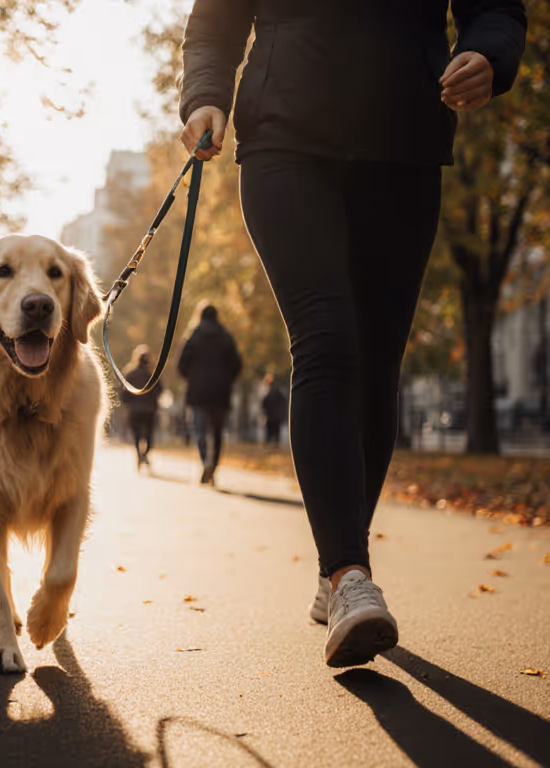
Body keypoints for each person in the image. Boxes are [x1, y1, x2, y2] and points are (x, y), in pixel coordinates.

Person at [178, 1, 526, 667]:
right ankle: (348, 577)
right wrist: (205, 95)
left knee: (376, 361)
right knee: (327, 342)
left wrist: (490, 54)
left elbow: (497, 8)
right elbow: (215, 23)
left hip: (405, 141)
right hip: (285, 137)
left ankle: (339, 562)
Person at [177, 302, 243, 486]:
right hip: (221, 392)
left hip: (198, 392)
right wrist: (227, 379)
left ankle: (205, 459)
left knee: (200, 430)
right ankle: (212, 466)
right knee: (217, 432)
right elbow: (237, 364)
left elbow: (181, 366)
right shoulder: (226, 337)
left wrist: (192, 377)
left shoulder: (193, 336)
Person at [119, 345, 162, 471]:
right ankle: (145, 454)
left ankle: (140, 455)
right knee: (149, 435)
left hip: (134, 410)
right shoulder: (152, 374)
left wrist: (128, 406)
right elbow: (160, 390)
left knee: (137, 436)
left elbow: (124, 394)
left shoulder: (130, 373)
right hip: (149, 410)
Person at [261, 375, 287, 446]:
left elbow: (264, 403)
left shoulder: (271, 391)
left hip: (273, 416)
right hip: (273, 416)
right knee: (273, 432)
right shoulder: (274, 391)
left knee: (272, 431)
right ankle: (273, 445)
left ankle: (273, 445)